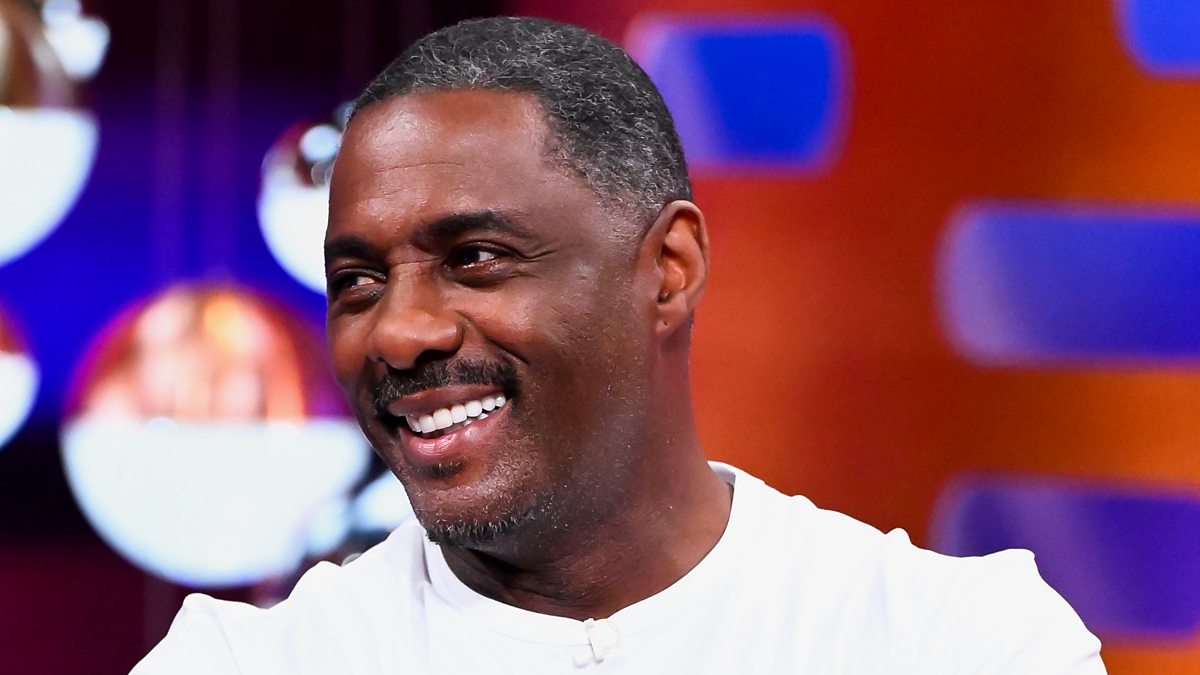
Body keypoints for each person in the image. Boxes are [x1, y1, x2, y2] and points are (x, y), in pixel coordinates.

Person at [134, 16, 1105, 674]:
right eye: (358, 281)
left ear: (668, 269)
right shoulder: (250, 661)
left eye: (475, 258)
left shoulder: (952, 643)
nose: (398, 331)